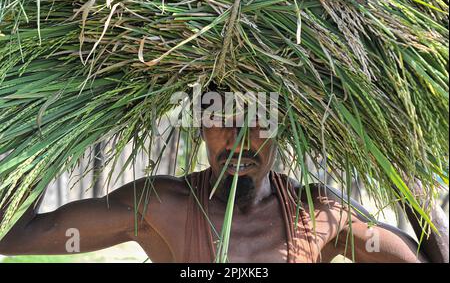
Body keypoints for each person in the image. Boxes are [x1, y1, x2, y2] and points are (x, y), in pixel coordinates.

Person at [0, 94, 447, 263]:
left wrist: (402, 163)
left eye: (258, 120)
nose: (239, 138)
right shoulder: (160, 206)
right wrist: (49, 134)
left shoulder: (318, 216)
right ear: (200, 126)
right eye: (222, 119)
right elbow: (15, 236)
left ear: (282, 128)